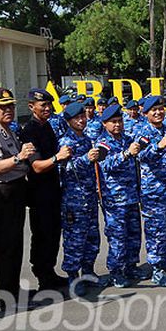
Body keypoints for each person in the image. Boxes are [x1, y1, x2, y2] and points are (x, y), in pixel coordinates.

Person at [0, 88, 39, 308]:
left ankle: (13, 289)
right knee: (6, 246)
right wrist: (19, 157)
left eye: (11, 106)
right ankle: (7, 296)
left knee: (15, 244)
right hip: (2, 192)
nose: (9, 110)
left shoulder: (7, 130)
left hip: (16, 189)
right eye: (3, 107)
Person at [16, 89, 71, 291]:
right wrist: (58, 158)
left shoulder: (46, 126)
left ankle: (50, 271)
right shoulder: (29, 131)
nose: (48, 109)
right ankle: (42, 276)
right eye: (43, 105)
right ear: (32, 107)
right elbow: (37, 166)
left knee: (53, 233)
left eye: (49, 105)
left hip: (53, 188)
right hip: (39, 192)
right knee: (42, 234)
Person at [135, 96, 166, 286]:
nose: (158, 113)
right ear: (146, 113)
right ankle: (156, 269)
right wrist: (157, 147)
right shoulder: (143, 132)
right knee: (156, 230)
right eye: (153, 110)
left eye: (160, 109)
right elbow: (140, 156)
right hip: (154, 192)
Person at [95, 104, 146, 287]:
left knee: (134, 233)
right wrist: (126, 154)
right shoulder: (102, 143)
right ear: (105, 124)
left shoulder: (127, 139)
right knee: (117, 236)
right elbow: (105, 165)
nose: (117, 125)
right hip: (115, 199)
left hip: (131, 195)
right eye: (113, 122)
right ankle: (116, 271)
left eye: (119, 121)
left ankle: (131, 266)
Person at [57, 102, 104, 296]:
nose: (82, 120)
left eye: (83, 116)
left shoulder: (86, 139)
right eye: (77, 118)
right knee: (75, 240)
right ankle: (73, 277)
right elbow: (64, 168)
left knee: (92, 238)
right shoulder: (65, 142)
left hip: (89, 195)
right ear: (69, 121)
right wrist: (86, 159)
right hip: (74, 199)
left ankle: (88, 272)